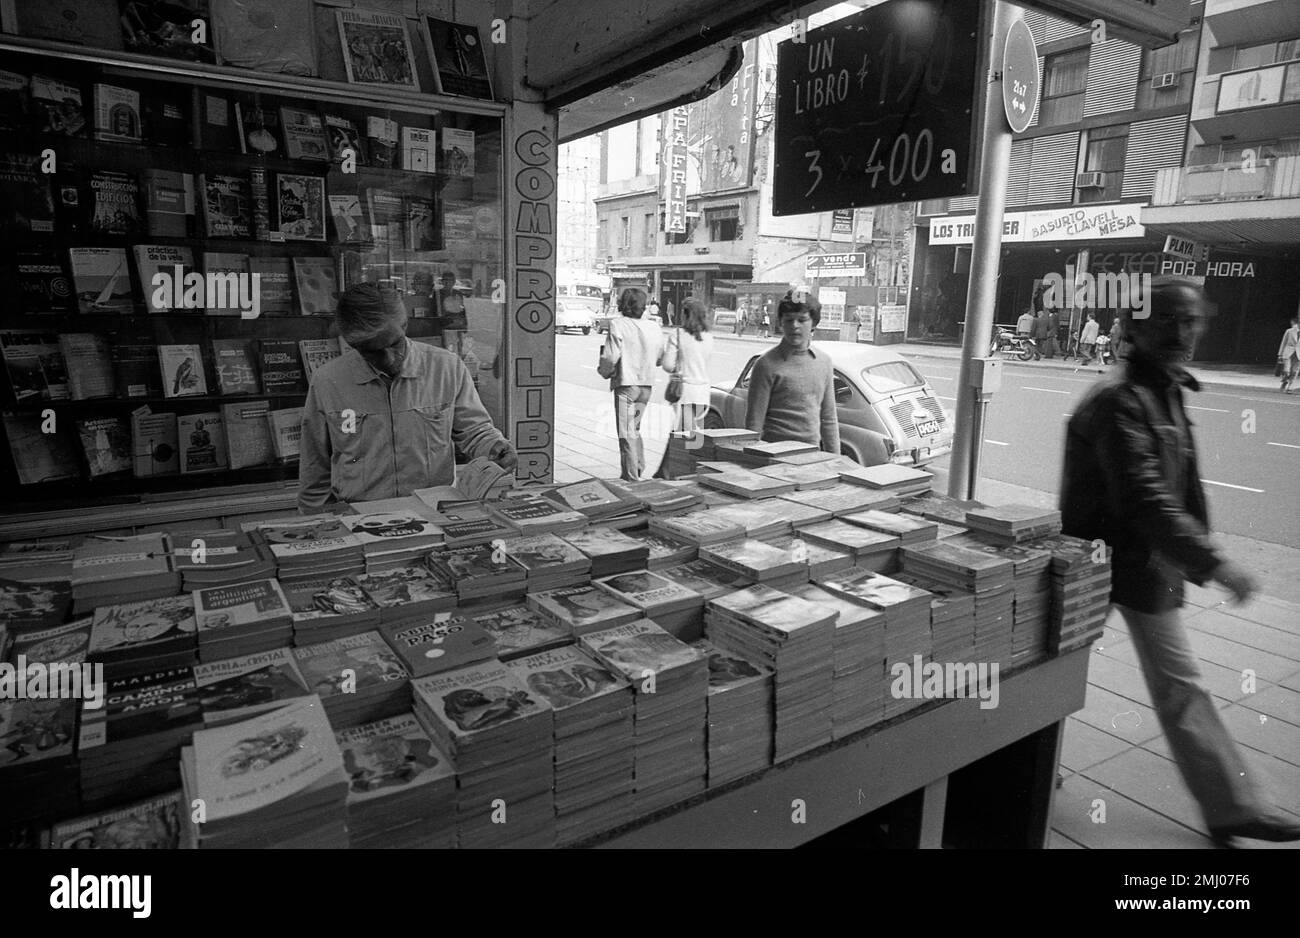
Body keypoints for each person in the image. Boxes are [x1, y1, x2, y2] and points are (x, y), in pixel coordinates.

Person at [1061, 277, 1300, 848]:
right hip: (1098, 564)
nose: (1185, 333)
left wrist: (1195, 556)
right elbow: (1145, 495)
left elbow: (1173, 489)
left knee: (1177, 685)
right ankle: (1011, 760)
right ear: (1136, 327)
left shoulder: (1161, 387)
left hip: (1141, 565)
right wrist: (1216, 563)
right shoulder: (1120, 398)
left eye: (1193, 321)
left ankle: (1232, 807)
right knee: (1049, 674)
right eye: (1170, 321)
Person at [297, 283, 516, 513]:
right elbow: (314, 466)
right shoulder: (328, 381)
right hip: (359, 514)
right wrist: (316, 521)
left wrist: (495, 447)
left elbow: (474, 430)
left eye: (394, 343)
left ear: (405, 325)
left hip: (434, 511)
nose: (388, 359)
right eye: (370, 351)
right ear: (351, 343)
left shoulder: (446, 368)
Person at [745, 293, 840, 455]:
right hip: (773, 457)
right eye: (789, 320)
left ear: (813, 324)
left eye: (802, 320)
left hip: (812, 455)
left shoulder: (824, 362)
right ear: (781, 323)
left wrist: (836, 460)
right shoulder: (765, 364)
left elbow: (829, 419)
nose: (794, 326)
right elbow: (754, 424)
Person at [598, 287, 663, 481]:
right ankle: (638, 468)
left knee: (626, 434)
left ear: (623, 304)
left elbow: (610, 357)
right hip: (646, 387)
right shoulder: (654, 327)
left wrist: (604, 372)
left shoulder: (618, 325)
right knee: (634, 429)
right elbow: (659, 358)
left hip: (626, 386)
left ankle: (631, 478)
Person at [660, 298, 715, 433]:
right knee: (693, 436)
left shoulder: (677, 335)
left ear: (685, 315)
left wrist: (678, 367)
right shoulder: (708, 336)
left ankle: (684, 453)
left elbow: (667, 365)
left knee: (683, 436)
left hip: (684, 391)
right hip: (702, 391)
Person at [1277, 314, 1299, 393]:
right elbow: (1283, 342)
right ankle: (1285, 381)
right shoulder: (1289, 331)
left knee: (1294, 371)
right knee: (1286, 370)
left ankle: (1290, 386)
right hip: (1288, 352)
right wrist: (1280, 354)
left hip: (1298, 354)